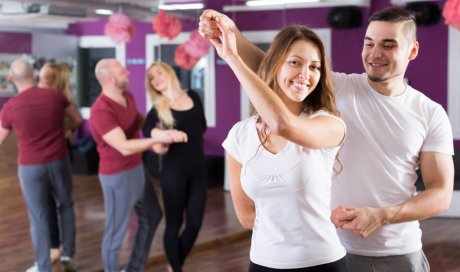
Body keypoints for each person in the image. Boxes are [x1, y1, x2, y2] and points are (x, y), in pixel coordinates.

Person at [199, 6, 454, 272]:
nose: (375, 53)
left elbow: (440, 194)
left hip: (397, 252)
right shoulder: (339, 87)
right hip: (334, 246)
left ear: (412, 51)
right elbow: (271, 67)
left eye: (388, 45)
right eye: (369, 43)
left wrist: (381, 215)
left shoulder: (430, 113)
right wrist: (230, 31)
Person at [212, 20, 348, 270]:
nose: (305, 74)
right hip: (262, 263)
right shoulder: (239, 135)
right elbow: (246, 217)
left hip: (323, 263)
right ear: (274, 65)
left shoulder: (330, 125)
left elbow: (283, 125)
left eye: (314, 67)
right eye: (295, 62)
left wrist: (233, 58)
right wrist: (228, 28)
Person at [89, 58, 188, 272]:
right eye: (121, 70)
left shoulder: (127, 96)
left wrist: (157, 131)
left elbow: (139, 121)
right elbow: (123, 146)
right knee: (115, 234)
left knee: (152, 215)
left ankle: (134, 268)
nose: (128, 72)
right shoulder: (100, 111)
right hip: (117, 176)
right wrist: (157, 141)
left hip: (136, 169)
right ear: (109, 78)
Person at [0, 59, 82, 272]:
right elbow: (77, 119)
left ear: (11, 79)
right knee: (65, 205)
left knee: (38, 216)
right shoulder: (55, 96)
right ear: (34, 74)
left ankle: (44, 266)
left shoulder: (10, 107)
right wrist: (63, 131)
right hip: (58, 160)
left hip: (30, 167)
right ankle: (67, 255)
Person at [142, 62, 207, 272]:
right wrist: (165, 135)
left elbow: (202, 127)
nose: (156, 79)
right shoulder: (159, 107)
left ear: (169, 72)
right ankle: (176, 269)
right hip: (173, 171)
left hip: (198, 169)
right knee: (173, 224)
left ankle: (174, 265)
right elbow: (146, 129)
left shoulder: (194, 96)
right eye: (152, 78)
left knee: (195, 223)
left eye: (159, 73)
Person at [38, 62, 81, 264]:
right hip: (40, 159)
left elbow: (75, 123)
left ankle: (65, 251)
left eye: (45, 75)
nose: (41, 78)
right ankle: (56, 247)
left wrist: (64, 131)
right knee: (47, 204)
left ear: (55, 79)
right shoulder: (39, 98)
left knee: (63, 202)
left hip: (59, 155)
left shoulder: (63, 101)